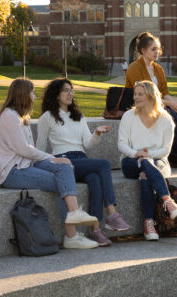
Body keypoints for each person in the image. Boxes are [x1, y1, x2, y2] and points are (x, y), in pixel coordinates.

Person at [0, 78, 100, 249]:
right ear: (23, 94)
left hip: (27, 165)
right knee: (61, 182)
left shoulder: (20, 115)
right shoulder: (10, 116)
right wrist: (50, 158)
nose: (34, 97)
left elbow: (27, 151)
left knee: (66, 167)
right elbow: (24, 149)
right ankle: (72, 233)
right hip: (14, 172)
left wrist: (55, 160)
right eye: (32, 93)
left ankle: (74, 216)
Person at [36, 78, 132, 246]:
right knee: (103, 165)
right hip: (64, 161)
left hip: (81, 159)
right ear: (56, 94)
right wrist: (50, 163)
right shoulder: (47, 117)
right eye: (66, 90)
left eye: (71, 90)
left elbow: (87, 144)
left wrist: (97, 134)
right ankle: (112, 213)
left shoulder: (78, 116)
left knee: (95, 178)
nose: (70, 93)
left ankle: (95, 230)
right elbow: (40, 148)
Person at [124, 32, 177, 169]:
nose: (157, 52)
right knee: (171, 116)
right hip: (142, 105)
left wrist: (174, 103)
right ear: (143, 51)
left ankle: (174, 155)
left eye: (158, 49)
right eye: (153, 49)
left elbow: (165, 92)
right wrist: (168, 104)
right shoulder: (134, 68)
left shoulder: (158, 69)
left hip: (159, 105)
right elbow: (144, 94)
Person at [117, 80, 177, 241]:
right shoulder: (128, 116)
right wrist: (137, 154)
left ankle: (148, 224)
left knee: (146, 173)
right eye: (135, 94)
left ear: (150, 96)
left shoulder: (165, 119)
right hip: (130, 161)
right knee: (145, 163)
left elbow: (166, 150)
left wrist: (148, 155)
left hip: (159, 161)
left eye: (140, 94)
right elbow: (122, 144)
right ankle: (168, 201)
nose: (136, 98)